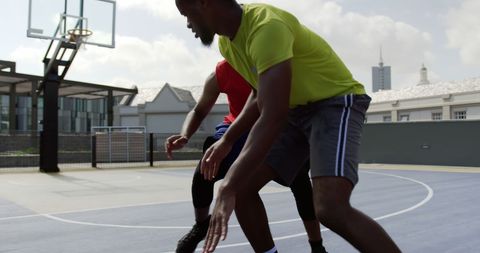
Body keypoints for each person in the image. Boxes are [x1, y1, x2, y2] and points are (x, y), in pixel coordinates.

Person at [174, 1, 402, 253]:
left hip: (334, 102)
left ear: (205, 3)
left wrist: (227, 184)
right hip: (295, 109)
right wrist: (228, 140)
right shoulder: (227, 43)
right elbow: (258, 92)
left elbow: (273, 114)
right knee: (242, 189)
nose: (187, 23)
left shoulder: (266, 27)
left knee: (330, 208)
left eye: (187, 14)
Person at [165, 60, 327, 253]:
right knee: (206, 168)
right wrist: (185, 135)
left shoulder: (273, 61)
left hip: (276, 126)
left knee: (299, 180)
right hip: (236, 129)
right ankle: (201, 225)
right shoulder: (223, 71)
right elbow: (199, 110)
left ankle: (316, 245)